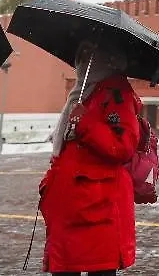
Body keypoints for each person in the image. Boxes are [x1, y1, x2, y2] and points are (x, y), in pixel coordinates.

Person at [39, 40, 141, 276]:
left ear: (108, 59)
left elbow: (123, 146)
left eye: (91, 56)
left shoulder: (117, 93)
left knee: (98, 268)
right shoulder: (80, 93)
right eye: (81, 55)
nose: (84, 62)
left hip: (97, 209)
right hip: (70, 206)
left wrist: (86, 123)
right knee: (64, 267)